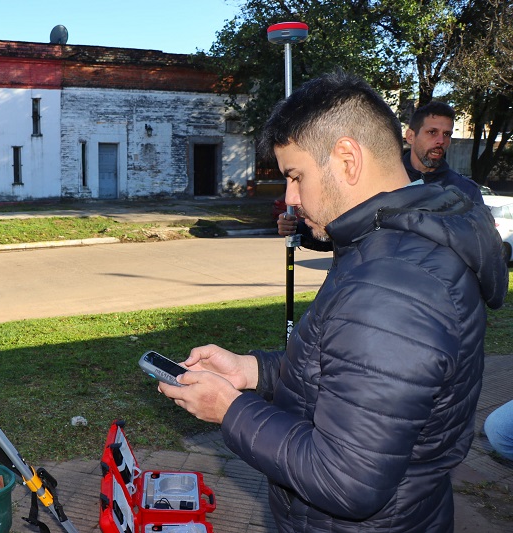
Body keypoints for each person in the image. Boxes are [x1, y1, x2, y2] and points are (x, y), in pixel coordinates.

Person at [159, 72, 509, 532]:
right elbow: (345, 373)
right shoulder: (388, 246)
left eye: (296, 176)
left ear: (347, 159)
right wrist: (252, 370)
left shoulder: (394, 286)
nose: (291, 197)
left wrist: (230, 409)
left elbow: (347, 481)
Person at [278, 100, 483, 247]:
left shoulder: (465, 192)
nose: (441, 141)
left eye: (446, 134)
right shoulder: (380, 179)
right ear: (410, 136)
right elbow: (344, 234)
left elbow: (479, 250)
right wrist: (300, 230)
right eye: (432, 132)